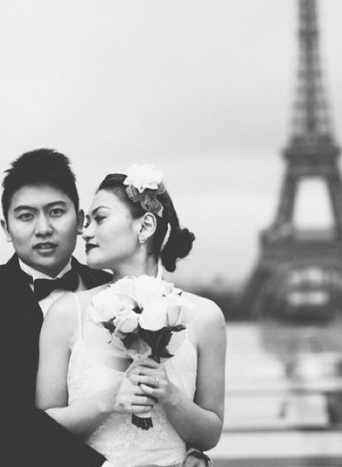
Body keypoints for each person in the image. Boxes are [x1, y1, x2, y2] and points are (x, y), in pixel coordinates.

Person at [0, 150, 212, 467]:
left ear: (80, 219)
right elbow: (9, 419)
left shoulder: (120, 289)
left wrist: (184, 450)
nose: (43, 228)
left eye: (56, 212)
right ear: (6, 228)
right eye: (25, 216)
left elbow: (163, 388)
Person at [35, 165, 226, 467]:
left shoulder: (205, 317)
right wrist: (108, 401)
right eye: (86, 221)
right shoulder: (66, 314)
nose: (86, 231)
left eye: (99, 218)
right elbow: (41, 427)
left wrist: (171, 396)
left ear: (145, 226)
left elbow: (210, 433)